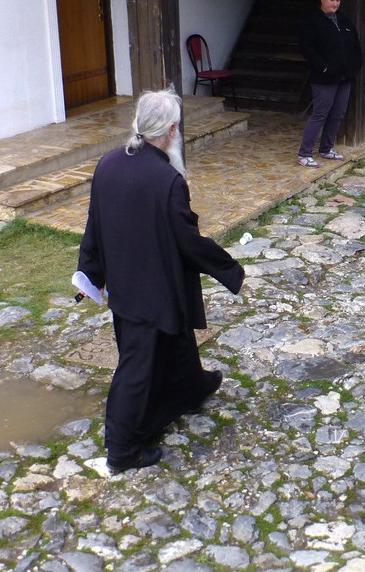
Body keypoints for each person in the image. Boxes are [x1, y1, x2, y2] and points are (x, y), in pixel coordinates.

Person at [77, 89, 245, 475]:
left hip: (128, 283)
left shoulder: (108, 164)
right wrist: (230, 270)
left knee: (177, 337)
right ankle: (121, 451)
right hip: (151, 291)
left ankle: (191, 389)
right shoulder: (167, 179)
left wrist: (91, 271)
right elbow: (188, 241)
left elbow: (94, 227)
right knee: (136, 368)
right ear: (171, 131)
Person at [297, 0, 364, 167]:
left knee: (338, 112)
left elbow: (355, 45)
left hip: (345, 76)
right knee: (320, 113)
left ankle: (326, 148)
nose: (335, 4)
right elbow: (307, 48)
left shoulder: (343, 20)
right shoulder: (313, 21)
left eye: (338, 0)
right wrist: (323, 67)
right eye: (332, 0)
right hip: (324, 78)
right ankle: (304, 153)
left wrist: (355, 65)